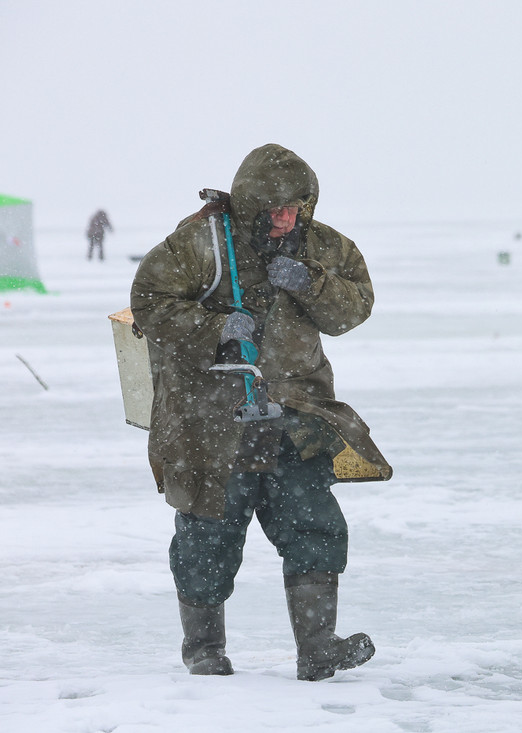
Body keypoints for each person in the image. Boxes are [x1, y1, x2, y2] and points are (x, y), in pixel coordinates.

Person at [130, 144, 392, 681]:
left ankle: (317, 648)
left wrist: (310, 283)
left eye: (295, 207)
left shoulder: (325, 247)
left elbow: (356, 307)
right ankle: (204, 651)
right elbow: (149, 301)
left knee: (313, 524)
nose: (285, 218)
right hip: (210, 420)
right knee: (209, 531)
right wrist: (215, 330)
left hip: (294, 412)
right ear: (249, 204)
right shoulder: (201, 244)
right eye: (273, 209)